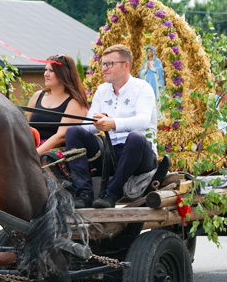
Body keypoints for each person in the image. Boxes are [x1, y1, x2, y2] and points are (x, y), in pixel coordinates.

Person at [65, 44, 158, 209]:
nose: (104, 69)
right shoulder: (102, 90)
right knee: (74, 132)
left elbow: (143, 121)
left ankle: (111, 195)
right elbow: (88, 126)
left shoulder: (143, 88)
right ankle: (84, 194)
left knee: (135, 137)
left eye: (110, 64)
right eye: (103, 64)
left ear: (126, 65)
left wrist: (112, 123)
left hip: (140, 156)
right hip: (110, 154)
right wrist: (95, 123)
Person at [25, 54, 88, 155]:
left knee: (46, 158)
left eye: (51, 70)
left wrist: (34, 154)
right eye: (46, 69)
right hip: (31, 146)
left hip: (56, 151)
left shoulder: (75, 102)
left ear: (64, 74)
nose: (46, 74)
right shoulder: (37, 96)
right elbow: (24, 126)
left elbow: (61, 136)